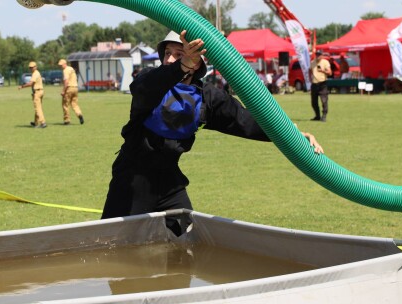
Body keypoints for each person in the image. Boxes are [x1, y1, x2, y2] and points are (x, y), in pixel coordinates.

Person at [101, 30, 324, 235]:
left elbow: (243, 120)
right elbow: (145, 87)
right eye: (167, 53)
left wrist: (292, 133)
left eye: (179, 54)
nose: (169, 59)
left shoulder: (205, 96)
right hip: (131, 179)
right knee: (114, 245)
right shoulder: (149, 80)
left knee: (187, 240)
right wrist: (181, 66)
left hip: (170, 181)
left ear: (197, 62)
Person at [18, 61, 46, 128]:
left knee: (37, 108)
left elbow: (30, 84)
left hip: (37, 92)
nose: (31, 69)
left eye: (32, 67)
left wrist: (22, 86)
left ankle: (43, 122)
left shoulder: (35, 74)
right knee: (38, 107)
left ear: (36, 67)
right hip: (40, 91)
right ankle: (36, 122)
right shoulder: (36, 73)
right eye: (30, 67)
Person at [58, 59, 84, 125]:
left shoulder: (65, 70)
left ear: (65, 64)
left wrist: (63, 91)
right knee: (74, 104)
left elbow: (66, 82)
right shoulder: (71, 69)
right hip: (75, 88)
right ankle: (79, 114)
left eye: (61, 65)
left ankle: (67, 120)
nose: (60, 67)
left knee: (65, 105)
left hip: (69, 88)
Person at [309, 51, 332, 122]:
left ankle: (324, 116)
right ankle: (317, 116)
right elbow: (309, 70)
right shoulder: (312, 62)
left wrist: (323, 71)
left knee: (324, 101)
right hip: (314, 84)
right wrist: (310, 78)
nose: (318, 56)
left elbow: (330, 73)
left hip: (322, 84)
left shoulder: (325, 62)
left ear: (322, 55)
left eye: (319, 55)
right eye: (317, 55)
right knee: (314, 102)